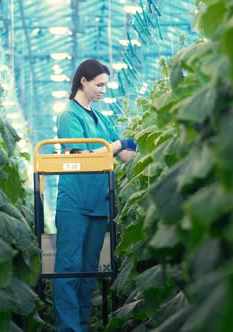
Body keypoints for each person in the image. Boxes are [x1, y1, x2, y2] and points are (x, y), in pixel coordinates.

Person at [52, 59, 136, 332]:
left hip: (99, 204)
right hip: (74, 203)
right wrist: (115, 145)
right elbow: (82, 157)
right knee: (68, 269)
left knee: (88, 272)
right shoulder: (69, 115)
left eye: (105, 85)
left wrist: (148, 149)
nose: (103, 90)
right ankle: (68, 329)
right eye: (99, 84)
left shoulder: (102, 118)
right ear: (83, 82)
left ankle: (81, 327)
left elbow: (124, 154)